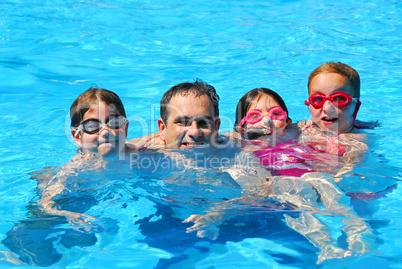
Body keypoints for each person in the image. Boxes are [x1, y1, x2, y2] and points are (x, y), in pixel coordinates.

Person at [184, 87, 374, 263]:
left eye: (276, 114)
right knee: (294, 194)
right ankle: (326, 246)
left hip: (311, 178)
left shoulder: (296, 131)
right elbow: (214, 138)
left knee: (323, 181)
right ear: (242, 128)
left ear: (287, 121)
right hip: (278, 187)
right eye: (255, 116)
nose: (267, 120)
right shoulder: (240, 141)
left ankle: (357, 230)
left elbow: (335, 128)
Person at [126, 79, 221, 150]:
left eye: (203, 123)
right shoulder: (141, 161)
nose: (194, 132)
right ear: (163, 128)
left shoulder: (232, 154)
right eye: (182, 122)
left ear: (216, 128)